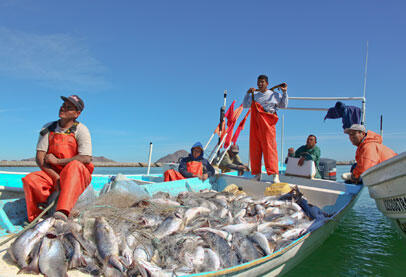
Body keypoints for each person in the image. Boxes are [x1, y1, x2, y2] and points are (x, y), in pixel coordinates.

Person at [22, 95, 94, 222]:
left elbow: (86, 158)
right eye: (63, 106)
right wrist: (57, 178)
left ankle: (62, 212)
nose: (63, 108)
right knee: (31, 180)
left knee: (74, 165)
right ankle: (37, 217)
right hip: (54, 174)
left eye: (68, 107)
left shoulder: (82, 130)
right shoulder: (48, 128)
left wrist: (58, 161)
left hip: (77, 175)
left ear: (77, 114)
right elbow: (40, 158)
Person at [243, 74, 288, 182]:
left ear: (267, 83)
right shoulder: (255, 95)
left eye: (262, 82)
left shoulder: (274, 94)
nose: (260, 84)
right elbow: (245, 105)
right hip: (256, 123)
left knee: (269, 147)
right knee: (255, 147)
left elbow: (283, 105)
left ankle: (275, 175)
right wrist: (247, 94)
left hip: (268, 122)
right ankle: (257, 174)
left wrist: (284, 92)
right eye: (259, 82)